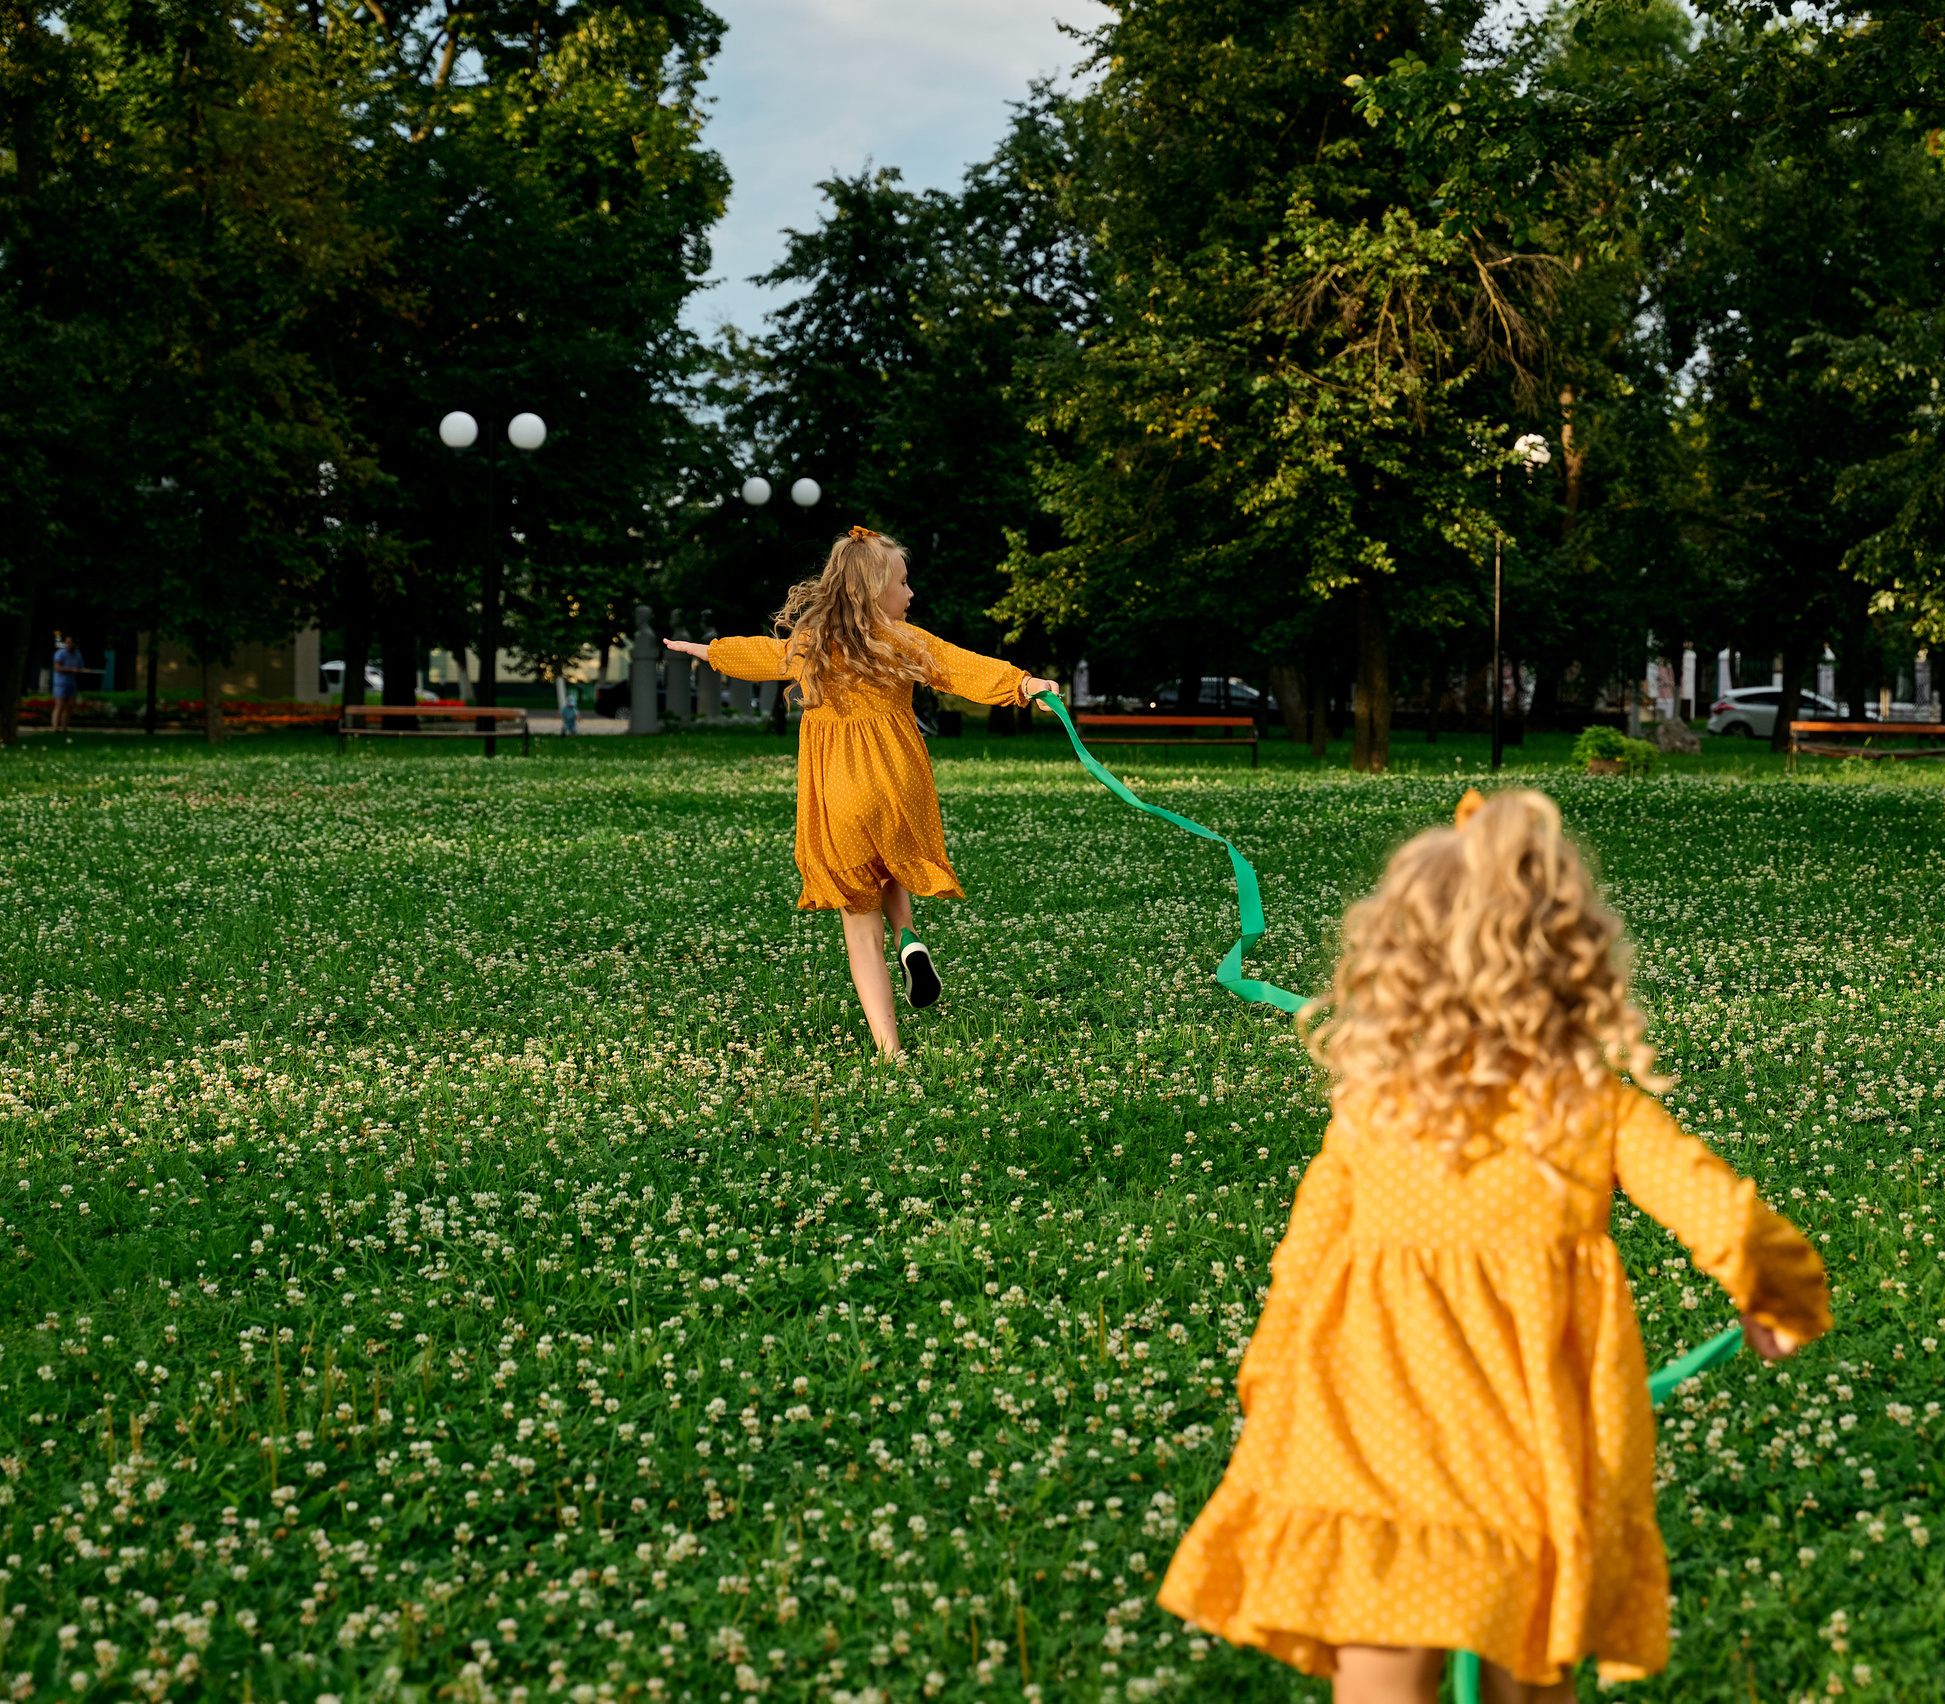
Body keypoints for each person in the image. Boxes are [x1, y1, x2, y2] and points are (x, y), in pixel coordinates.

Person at [1158, 789, 1832, 1704]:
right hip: (1527, 1464)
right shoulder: (1595, 1109)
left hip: (1368, 1457)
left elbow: (1302, 1265)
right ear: (1571, 965)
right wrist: (1780, 1302)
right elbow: (1727, 1217)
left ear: (1394, 964)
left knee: (1382, 1674)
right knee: (1527, 1671)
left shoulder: (1371, 1112)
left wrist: (1271, 1384)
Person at [665, 527, 1058, 1060]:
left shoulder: (810, 645)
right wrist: (1024, 684)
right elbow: (963, 667)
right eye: (903, 581)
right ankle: (910, 939)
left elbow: (763, 655)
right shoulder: (904, 641)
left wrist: (706, 651)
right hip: (897, 779)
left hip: (838, 790)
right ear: (877, 592)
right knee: (893, 858)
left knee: (857, 911)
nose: (911, 593)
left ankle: (888, 1046)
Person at [50, 634, 88, 733]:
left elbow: (80, 668)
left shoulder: (78, 654)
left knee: (69, 706)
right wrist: (71, 669)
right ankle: (55, 728)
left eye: (71, 642)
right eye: (67, 642)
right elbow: (57, 668)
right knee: (59, 705)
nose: (69, 644)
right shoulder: (60, 653)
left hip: (71, 683)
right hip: (60, 683)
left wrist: (84, 670)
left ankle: (64, 728)